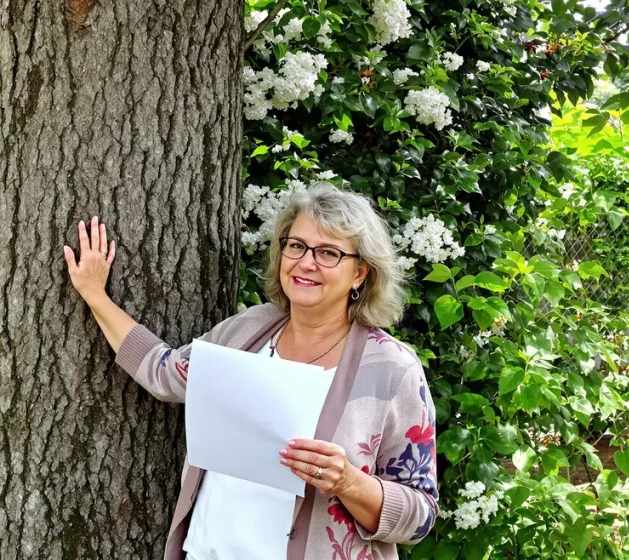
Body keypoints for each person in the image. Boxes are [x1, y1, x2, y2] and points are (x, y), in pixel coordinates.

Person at [63, 182, 438, 560]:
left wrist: (348, 482)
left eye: (328, 253)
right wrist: (95, 295)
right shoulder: (249, 330)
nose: (306, 262)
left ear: (360, 273)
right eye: (296, 246)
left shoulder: (393, 370)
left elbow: (419, 517)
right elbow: (166, 375)